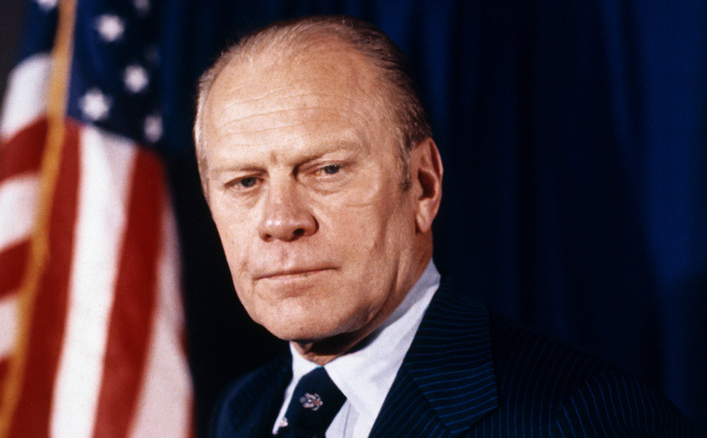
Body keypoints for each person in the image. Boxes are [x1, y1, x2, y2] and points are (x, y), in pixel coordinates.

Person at [192, 15, 693, 438]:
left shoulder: (580, 418)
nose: (281, 220)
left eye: (327, 170)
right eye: (244, 182)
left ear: (424, 186)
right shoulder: (244, 410)